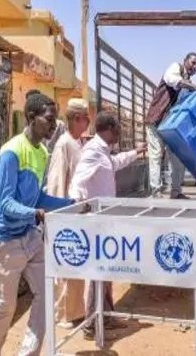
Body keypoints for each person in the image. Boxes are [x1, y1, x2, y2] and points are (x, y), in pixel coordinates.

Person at [0, 93, 77, 356]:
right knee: (6, 306)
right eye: (48, 119)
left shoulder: (42, 152)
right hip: (4, 239)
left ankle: (28, 352)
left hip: (28, 234)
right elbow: (5, 204)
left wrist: (70, 203)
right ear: (31, 118)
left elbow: (39, 197)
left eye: (54, 119)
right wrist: (36, 214)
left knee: (46, 295)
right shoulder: (11, 152)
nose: (53, 124)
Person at [69, 110, 147, 340]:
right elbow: (77, 182)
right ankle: (91, 324)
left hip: (104, 222)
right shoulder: (93, 151)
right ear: (110, 129)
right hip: (95, 223)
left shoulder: (103, 152)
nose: (120, 134)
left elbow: (114, 163)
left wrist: (135, 152)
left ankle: (106, 316)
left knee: (106, 271)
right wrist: (77, 205)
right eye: (118, 129)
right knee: (96, 274)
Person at [45, 98, 90, 329]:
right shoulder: (64, 144)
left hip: (77, 215)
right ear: (74, 119)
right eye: (85, 117)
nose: (88, 122)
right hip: (66, 215)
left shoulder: (77, 142)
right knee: (66, 268)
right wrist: (60, 215)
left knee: (76, 268)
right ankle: (64, 315)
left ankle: (74, 313)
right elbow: (56, 184)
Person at [145, 52, 196, 199]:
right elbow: (173, 80)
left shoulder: (187, 82)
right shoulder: (175, 68)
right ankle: (156, 191)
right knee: (156, 155)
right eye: (192, 63)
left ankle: (176, 191)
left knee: (178, 158)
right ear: (185, 61)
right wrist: (195, 87)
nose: (194, 67)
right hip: (156, 120)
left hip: (170, 126)